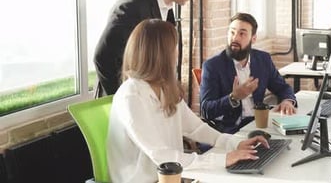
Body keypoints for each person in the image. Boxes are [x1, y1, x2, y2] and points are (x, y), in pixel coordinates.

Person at [107, 19, 269, 183]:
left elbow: (195, 128)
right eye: (174, 47)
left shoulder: (164, 87)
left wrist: (235, 143)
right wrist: (223, 159)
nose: (177, 53)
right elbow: (161, 155)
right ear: (160, 54)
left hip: (171, 176)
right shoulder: (131, 96)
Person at [94, 0, 211, 96]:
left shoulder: (166, 4)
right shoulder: (131, 7)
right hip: (124, 98)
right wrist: (121, 100)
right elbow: (102, 57)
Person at [200, 12, 297, 134]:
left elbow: (283, 87)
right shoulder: (212, 66)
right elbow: (206, 110)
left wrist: (287, 101)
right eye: (232, 32)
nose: (235, 38)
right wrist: (233, 98)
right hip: (228, 130)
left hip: (257, 124)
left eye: (242, 34)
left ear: (253, 38)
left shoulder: (263, 60)